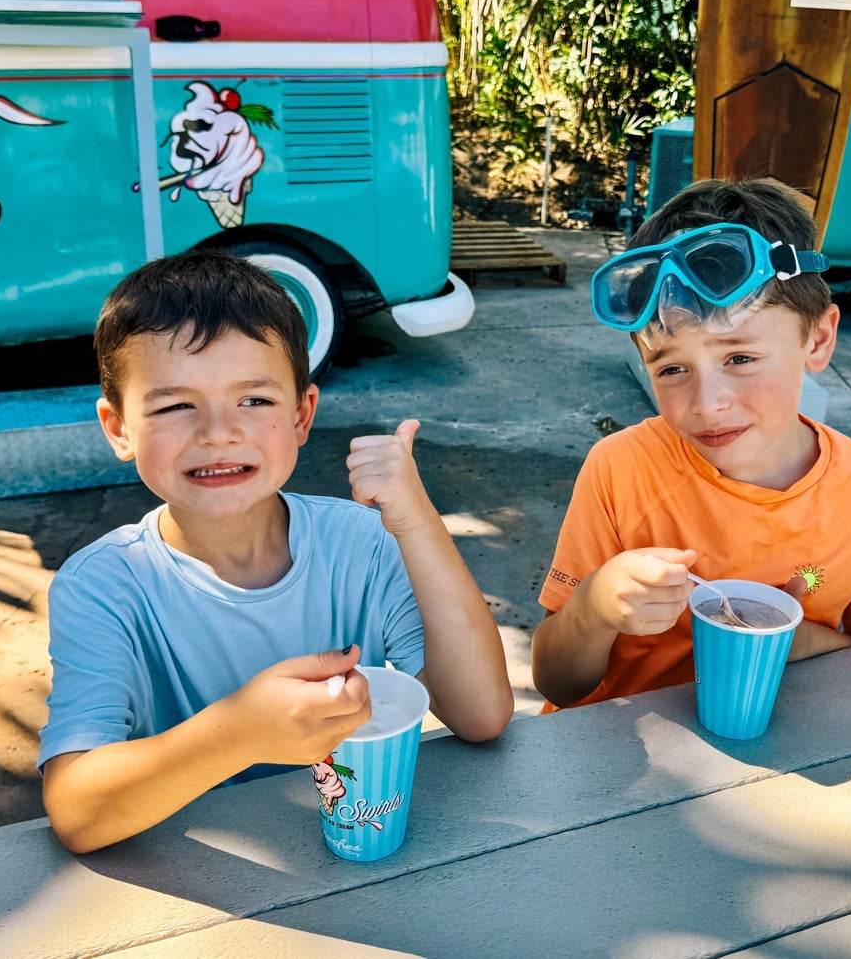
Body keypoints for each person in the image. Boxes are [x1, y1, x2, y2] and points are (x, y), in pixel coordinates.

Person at [38, 251, 513, 853]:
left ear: (301, 415)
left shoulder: (365, 542)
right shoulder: (100, 586)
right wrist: (238, 734)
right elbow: (77, 812)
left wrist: (417, 522)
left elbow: (482, 715)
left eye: (255, 400)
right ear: (118, 427)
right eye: (175, 405)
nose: (217, 432)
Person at [531, 177, 851, 712]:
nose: (708, 403)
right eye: (672, 368)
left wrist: (802, 641)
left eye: (739, 358)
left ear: (816, 339)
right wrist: (593, 610)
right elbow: (557, 685)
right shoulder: (621, 469)